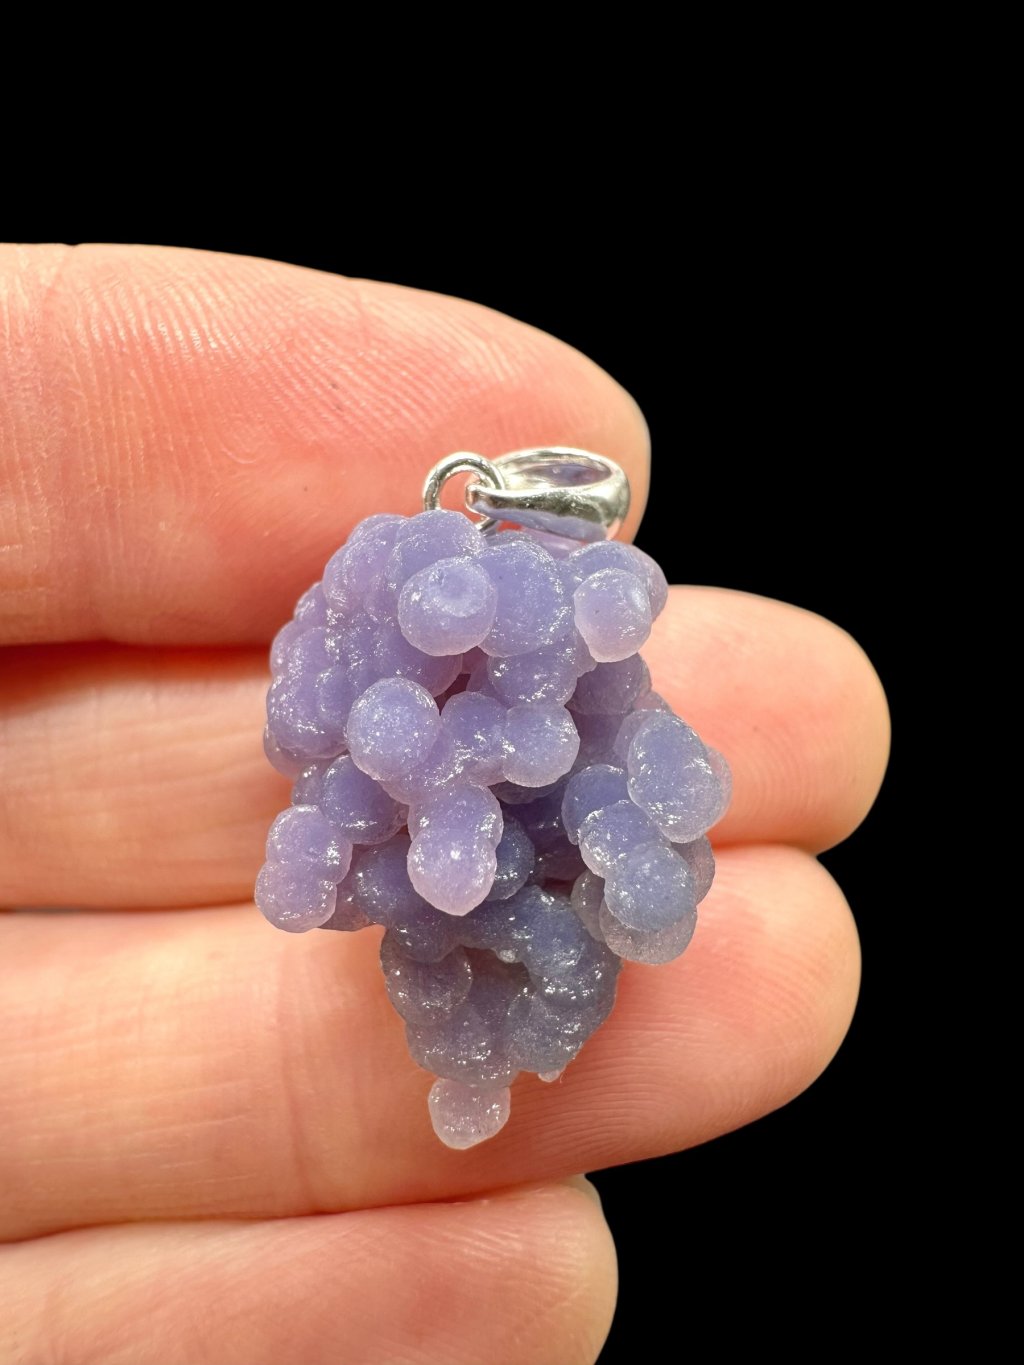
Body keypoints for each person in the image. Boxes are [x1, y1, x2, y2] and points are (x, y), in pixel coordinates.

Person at [0, 244, 889, 1364]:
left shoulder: (569, 669)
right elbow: (327, 775)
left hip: (541, 846)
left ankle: (504, 1040)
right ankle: (488, 1045)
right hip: (454, 858)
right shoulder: (397, 661)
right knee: (458, 909)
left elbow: (632, 799)